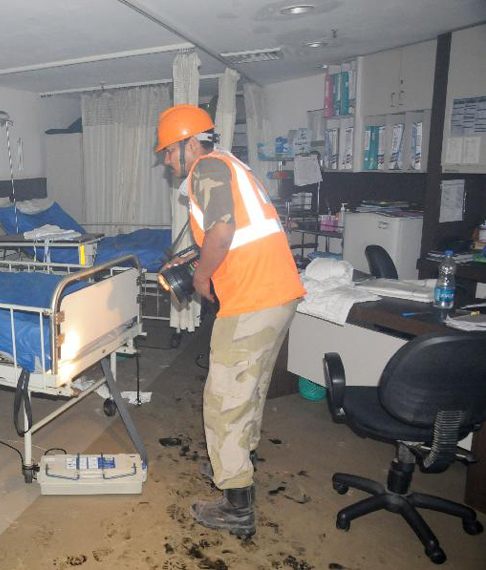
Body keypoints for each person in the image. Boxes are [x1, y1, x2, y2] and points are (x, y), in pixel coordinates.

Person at [156, 105, 305, 537]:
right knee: (250, 387)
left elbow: (222, 230)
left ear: (189, 144)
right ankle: (234, 462)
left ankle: (236, 506)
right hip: (277, 293)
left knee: (223, 399)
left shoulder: (206, 168)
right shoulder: (233, 166)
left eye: (169, 152)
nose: (167, 161)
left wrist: (202, 275)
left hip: (253, 299)